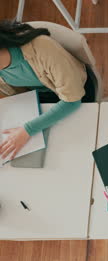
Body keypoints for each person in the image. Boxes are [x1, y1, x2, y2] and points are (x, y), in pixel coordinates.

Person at [0, 20, 94, 161]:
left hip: (75, 93)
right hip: (38, 96)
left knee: (71, 150)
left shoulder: (42, 48)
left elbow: (73, 100)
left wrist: (27, 130)